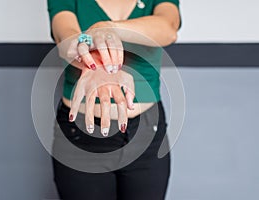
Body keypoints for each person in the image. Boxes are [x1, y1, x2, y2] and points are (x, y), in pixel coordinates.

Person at [47, 0, 181, 199]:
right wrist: (93, 60)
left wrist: (106, 29)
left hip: (146, 134)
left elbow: (168, 28)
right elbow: (65, 38)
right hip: (80, 137)